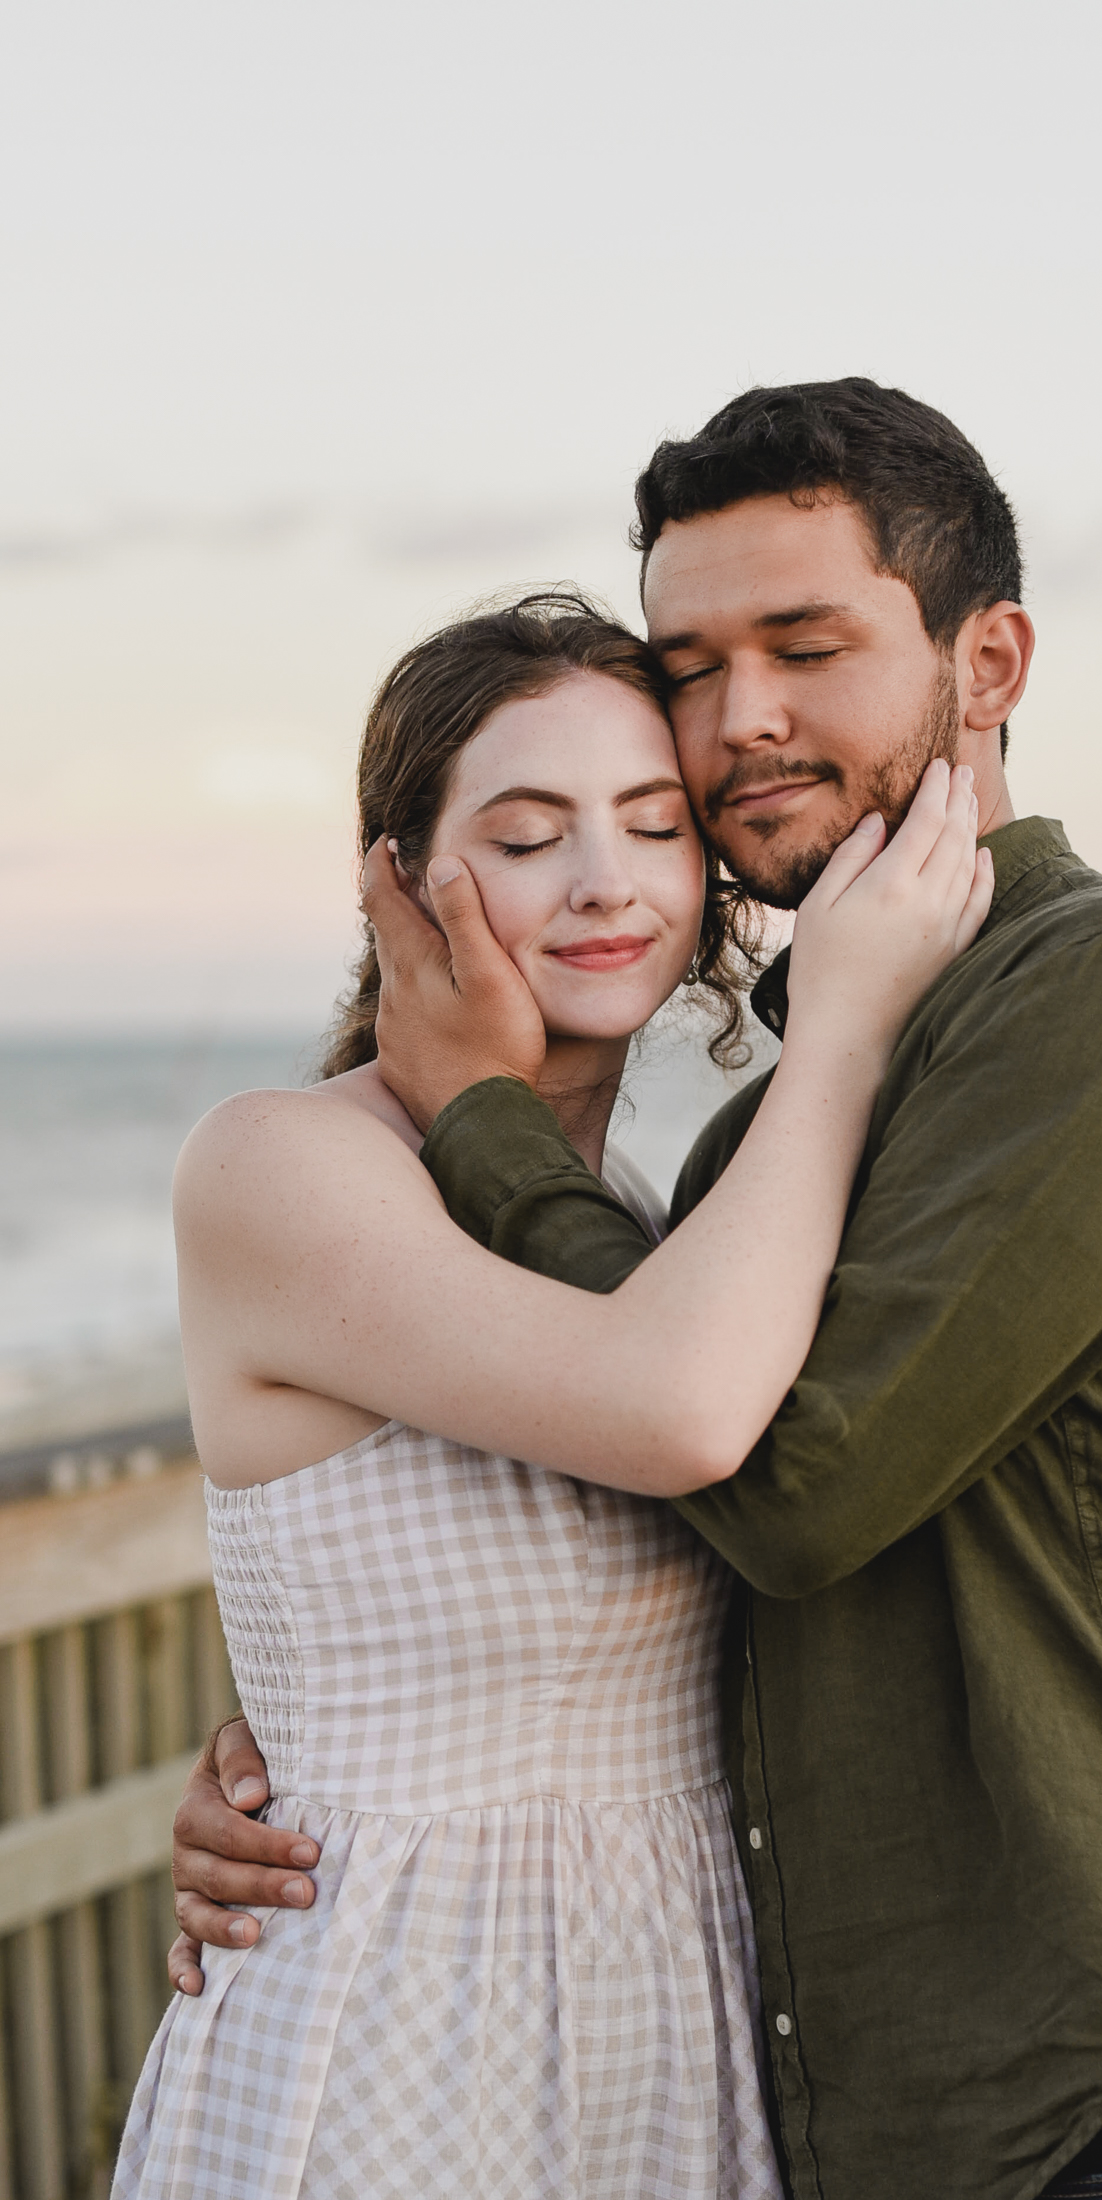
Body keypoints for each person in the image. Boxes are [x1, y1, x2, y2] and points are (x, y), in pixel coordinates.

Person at [170, 383, 1102, 2200]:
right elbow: (626, 1493)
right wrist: (319, 1746)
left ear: (987, 663)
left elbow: (774, 1474)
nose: (741, 718)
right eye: (693, 661)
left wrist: (495, 1120)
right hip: (804, 2094)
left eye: (805, 646)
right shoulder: (748, 1145)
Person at [115, 589, 991, 2200]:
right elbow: (672, 1416)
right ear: (398, 879)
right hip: (398, 2031)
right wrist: (847, 1029)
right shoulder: (284, 1165)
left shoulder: (663, 1243)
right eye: (524, 837)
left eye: (655, 827)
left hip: (679, 2031)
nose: (603, 883)